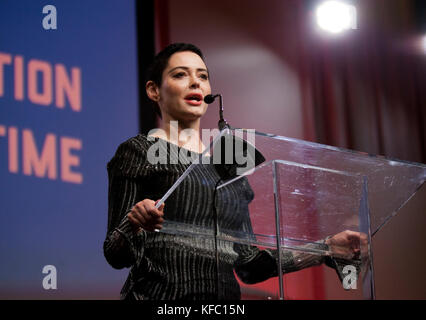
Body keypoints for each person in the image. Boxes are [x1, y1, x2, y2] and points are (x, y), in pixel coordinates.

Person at [103, 43, 363, 300]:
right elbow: (114, 253)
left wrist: (324, 249)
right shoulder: (139, 150)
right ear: (153, 90)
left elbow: (250, 266)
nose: (196, 83)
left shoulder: (229, 170)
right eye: (180, 74)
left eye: (202, 76)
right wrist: (134, 223)